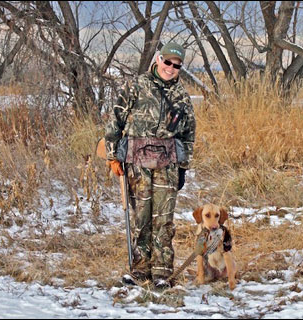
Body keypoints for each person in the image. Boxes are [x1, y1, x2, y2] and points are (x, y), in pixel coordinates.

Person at [104, 42, 196, 289]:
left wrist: (183, 168)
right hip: (137, 163)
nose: (171, 68)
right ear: (158, 59)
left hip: (168, 164)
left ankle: (162, 273)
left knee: (163, 219)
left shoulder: (182, 97)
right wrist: (113, 156)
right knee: (141, 217)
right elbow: (115, 122)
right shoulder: (135, 86)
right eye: (167, 62)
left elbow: (188, 134)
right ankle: (140, 271)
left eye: (177, 66)